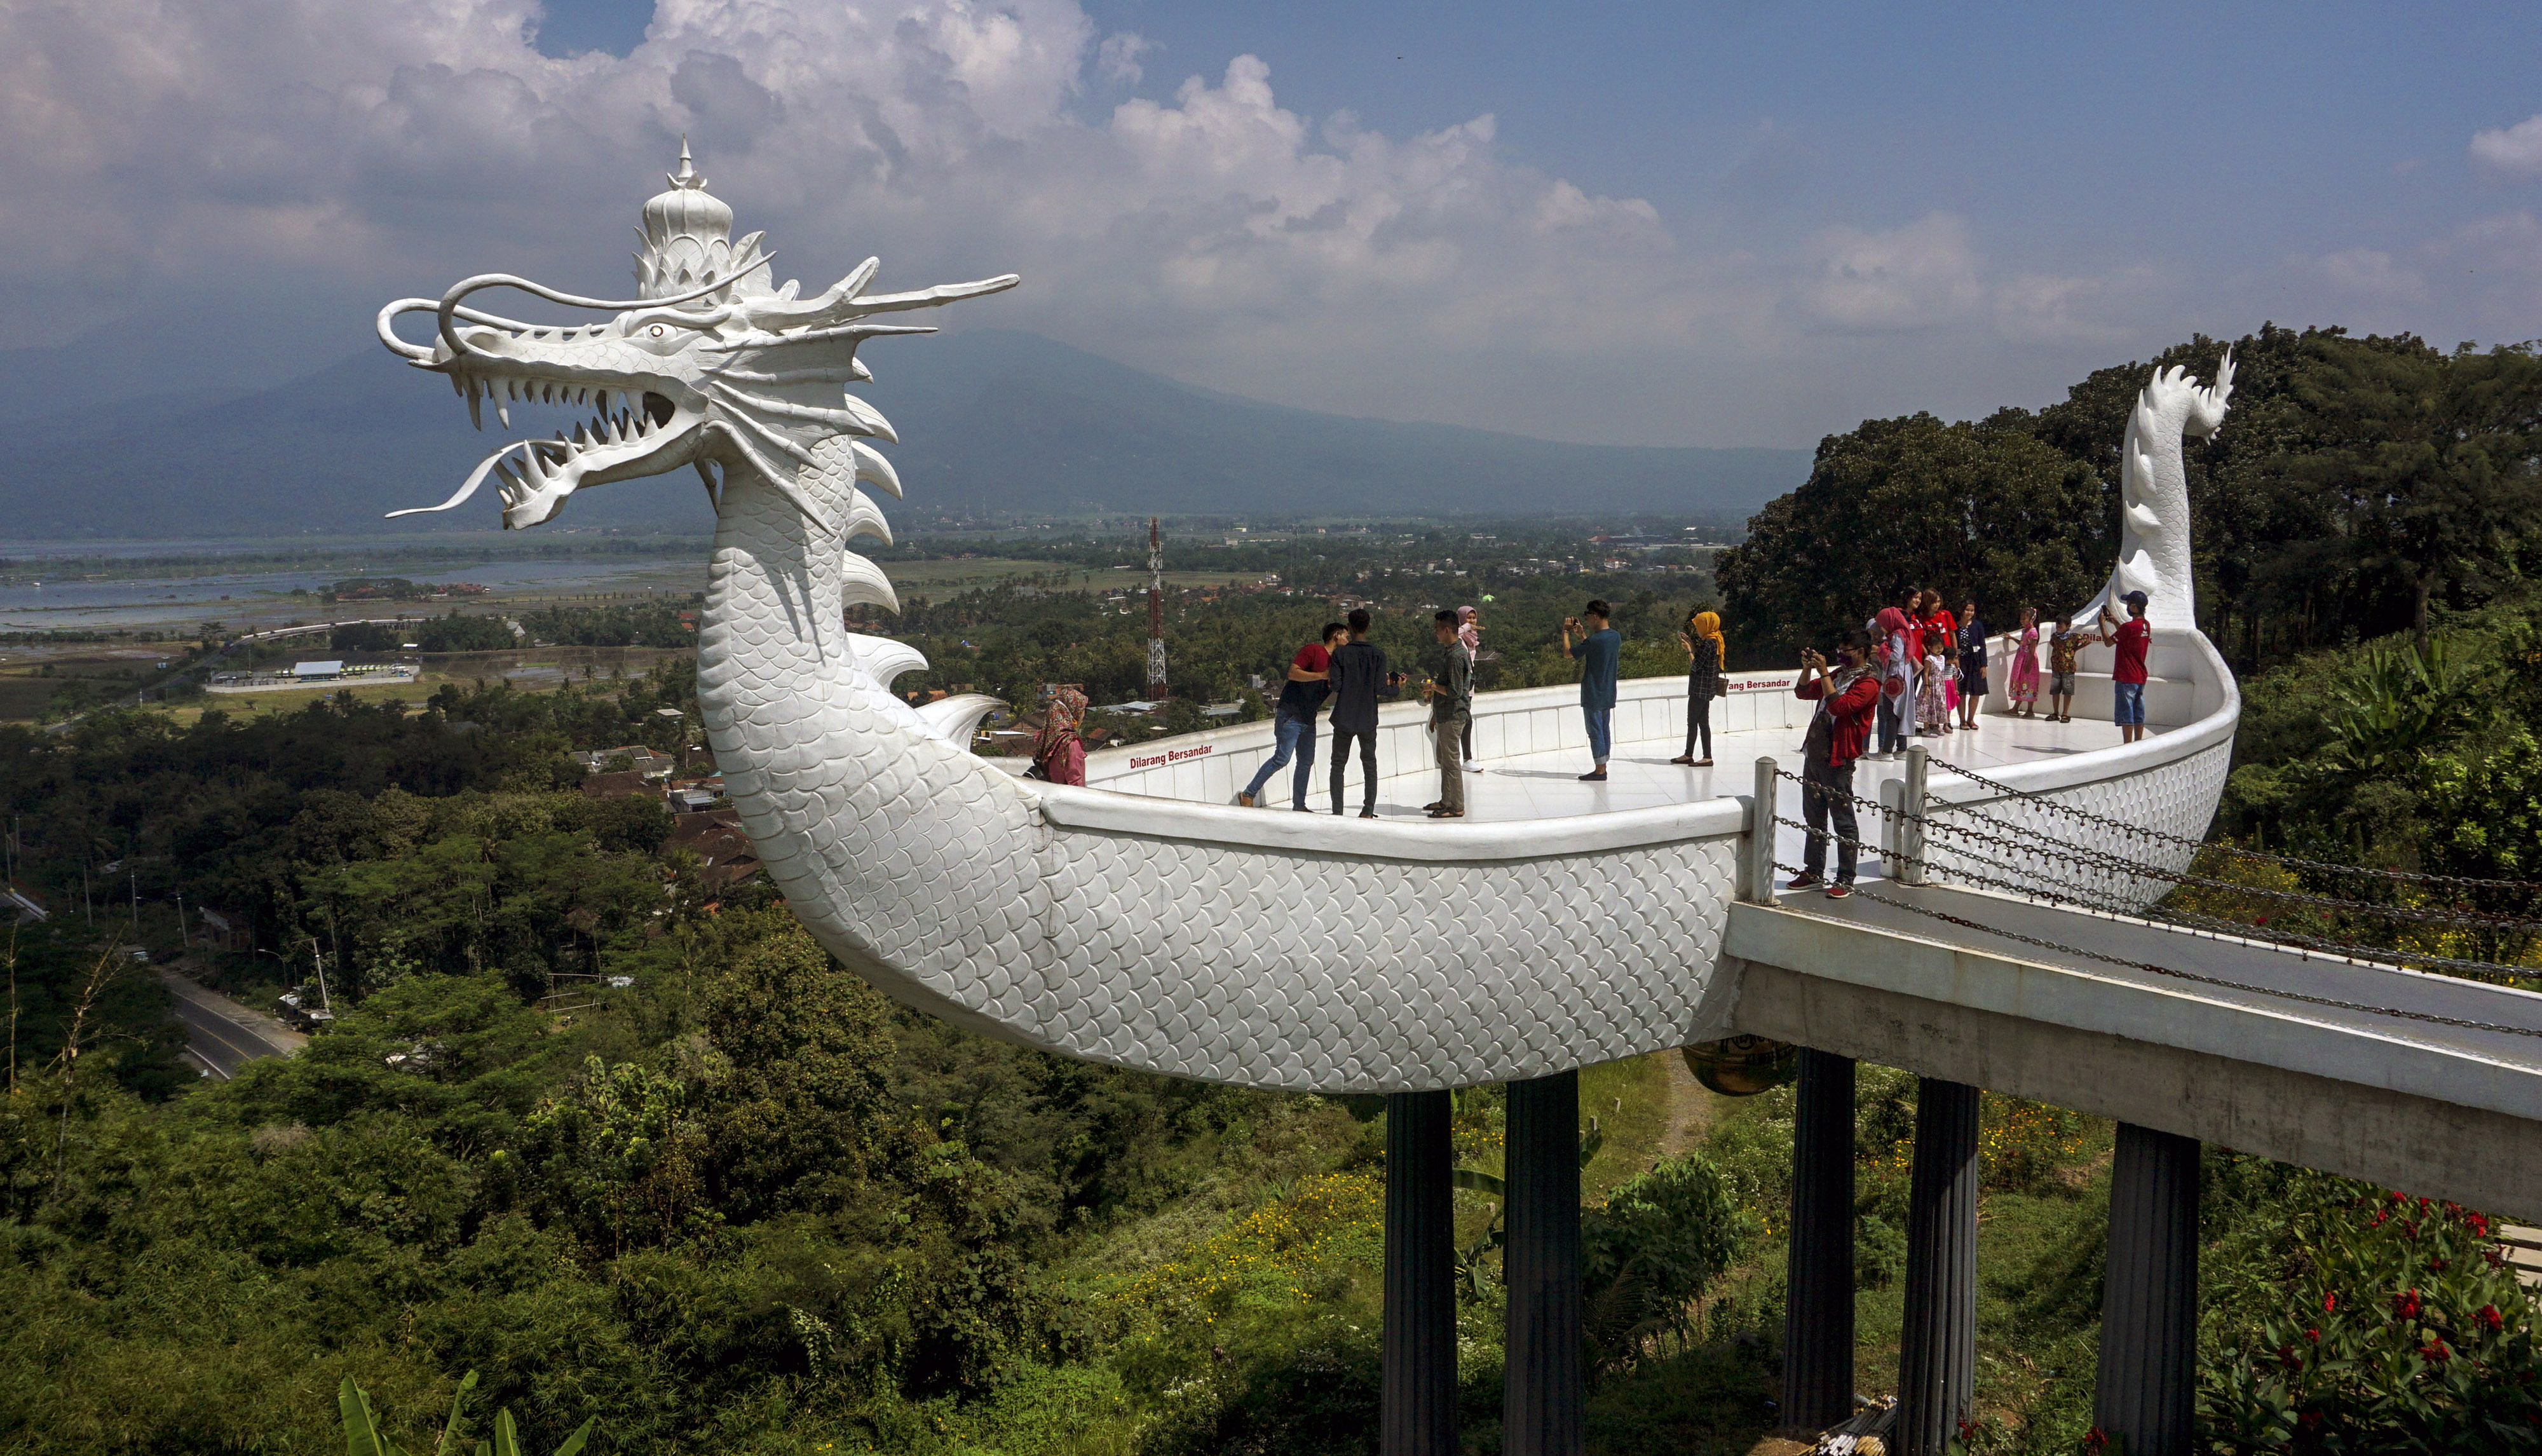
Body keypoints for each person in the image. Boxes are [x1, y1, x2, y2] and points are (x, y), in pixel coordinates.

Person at [1788, 630, 1882, 899]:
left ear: (1861, 652)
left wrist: (1824, 674)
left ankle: (1846, 878)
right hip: (1815, 755)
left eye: (1846, 650)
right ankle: (1814, 871)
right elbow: (1803, 692)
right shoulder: (1839, 675)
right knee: (1814, 817)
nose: (1841, 654)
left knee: (1843, 821)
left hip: (1838, 760)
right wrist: (1809, 670)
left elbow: (1839, 707)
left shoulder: (1869, 684)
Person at [1239, 622, 1346, 810]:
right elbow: (1293, 673)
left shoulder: (1337, 664)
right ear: (1336, 635)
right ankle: (1248, 794)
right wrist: (1322, 675)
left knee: (1305, 762)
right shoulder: (1314, 651)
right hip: (1291, 714)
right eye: (1346, 636)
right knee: (1282, 758)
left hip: (1308, 718)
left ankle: (1299, 805)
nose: (1347, 640)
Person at [1327, 608, 1405, 818]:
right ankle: (1368, 810)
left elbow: (1336, 685)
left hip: (1344, 716)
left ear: (1349, 627)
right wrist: (1396, 687)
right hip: (1367, 717)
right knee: (1369, 763)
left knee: (1338, 765)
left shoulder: (1340, 654)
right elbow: (1380, 689)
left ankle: (1337, 811)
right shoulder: (1378, 655)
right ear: (1368, 627)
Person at [1561, 601, 1622, 781]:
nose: (1587, 621)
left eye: (1588, 617)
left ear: (1595, 616)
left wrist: (1565, 632)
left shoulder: (1594, 640)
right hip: (1608, 691)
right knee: (1604, 729)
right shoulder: (1615, 636)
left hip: (1593, 692)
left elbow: (1568, 653)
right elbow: (1596, 649)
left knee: (1595, 731)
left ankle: (1600, 770)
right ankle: (1603, 764)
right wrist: (1582, 636)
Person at [1420, 609, 1472, 818]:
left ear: (1447, 630)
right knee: (1444, 759)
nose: (1435, 632)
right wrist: (1435, 715)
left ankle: (1456, 806)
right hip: (1444, 714)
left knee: (1451, 762)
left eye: (1437, 629)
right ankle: (1446, 800)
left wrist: (1432, 687)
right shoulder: (1451, 652)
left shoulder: (1456, 656)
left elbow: (1455, 691)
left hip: (1453, 715)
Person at [2097, 589, 2153, 743]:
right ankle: (2139, 743)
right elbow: (2127, 634)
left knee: (2126, 713)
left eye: (2129, 604)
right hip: (2140, 675)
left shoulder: (2129, 627)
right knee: (2138, 712)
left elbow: (2108, 643)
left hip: (2127, 675)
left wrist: (2102, 624)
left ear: (2134, 607)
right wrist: (2115, 622)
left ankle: (2127, 745)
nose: (2127, 607)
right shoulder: (2146, 626)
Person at [1672, 608, 1725, 766]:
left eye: (1699, 626)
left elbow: (1696, 665)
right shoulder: (1715, 640)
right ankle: (1706, 756)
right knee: (1703, 723)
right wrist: (1691, 644)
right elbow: (1703, 658)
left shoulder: (1709, 643)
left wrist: (1689, 651)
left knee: (1693, 722)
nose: (1698, 629)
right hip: (1708, 689)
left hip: (1700, 689)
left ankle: (1689, 754)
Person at [1872, 606, 1913, 757]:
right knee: (1899, 714)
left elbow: (1896, 656)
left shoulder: (1897, 635)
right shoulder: (1903, 633)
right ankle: (1901, 748)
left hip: (1895, 679)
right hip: (1900, 677)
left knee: (1890, 715)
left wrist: (1882, 649)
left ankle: (1886, 751)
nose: (1881, 628)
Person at [1030, 684, 1088, 787]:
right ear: (1074, 710)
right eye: (1082, 709)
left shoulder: (1046, 738)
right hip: (1068, 796)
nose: (1083, 714)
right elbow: (1076, 783)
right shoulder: (1071, 744)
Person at [1456, 604, 1485, 773]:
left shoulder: (1472, 638)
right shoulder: (1460, 637)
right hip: (1461, 684)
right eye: (1468, 618)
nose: (1472, 621)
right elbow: (1455, 634)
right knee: (1465, 720)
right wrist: (1466, 627)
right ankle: (1466, 759)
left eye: (1474, 618)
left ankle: (1466, 758)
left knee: (1466, 720)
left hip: (1469, 684)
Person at [2003, 607, 2042, 718]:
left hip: (2028, 660)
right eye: (2021, 618)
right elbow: (2023, 643)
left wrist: (2029, 664)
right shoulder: (2025, 631)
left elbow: (2032, 650)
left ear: (2031, 619)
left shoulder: (2034, 633)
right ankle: (2016, 708)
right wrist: (2012, 638)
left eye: (2024, 619)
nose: (2022, 621)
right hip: (2021, 659)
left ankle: (2030, 710)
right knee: (2020, 682)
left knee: (2029, 683)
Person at [1956, 599, 1988, 730]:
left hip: (1975, 662)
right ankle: (1962, 720)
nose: (1969, 613)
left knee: (1975, 692)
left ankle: (1971, 719)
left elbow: (1982, 645)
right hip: (1961, 662)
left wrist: (1984, 665)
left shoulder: (1977, 625)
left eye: (1972, 610)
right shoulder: (1956, 625)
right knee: (1961, 692)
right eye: (1967, 610)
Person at [2046, 612, 2084, 724]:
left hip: (2068, 668)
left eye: (2061, 625)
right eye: (2057, 625)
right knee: (2055, 691)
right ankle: (2055, 712)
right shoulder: (2055, 636)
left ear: (2068, 626)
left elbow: (2087, 641)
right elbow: (2053, 644)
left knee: (2067, 692)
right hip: (2056, 667)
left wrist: (2074, 649)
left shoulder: (2074, 637)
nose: (2058, 627)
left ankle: (2065, 714)